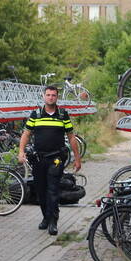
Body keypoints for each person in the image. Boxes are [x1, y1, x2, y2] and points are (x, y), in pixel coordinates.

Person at [18, 85, 81, 236]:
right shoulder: (36, 114)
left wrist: (77, 159)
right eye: (48, 95)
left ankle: (53, 222)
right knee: (40, 190)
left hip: (56, 159)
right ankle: (46, 217)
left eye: (53, 95)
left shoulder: (63, 115)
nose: (51, 97)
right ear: (43, 96)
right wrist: (21, 151)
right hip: (39, 158)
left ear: (57, 97)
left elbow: (71, 137)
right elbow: (26, 134)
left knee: (53, 190)